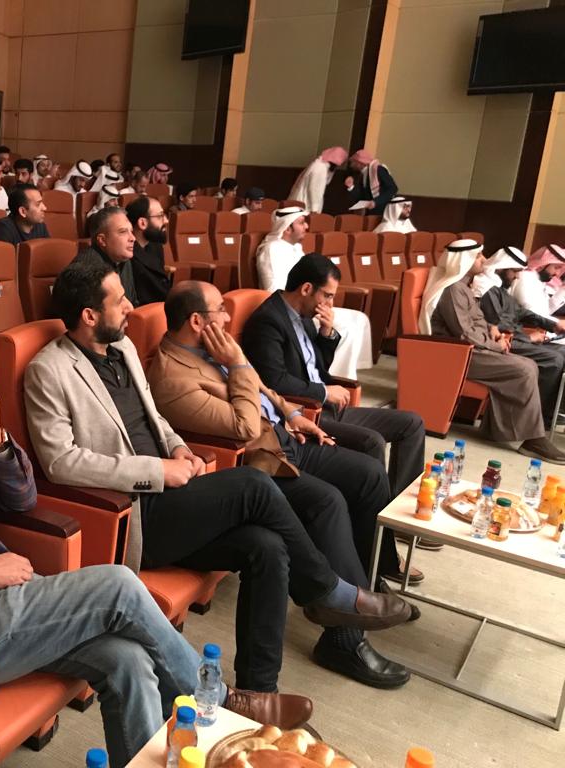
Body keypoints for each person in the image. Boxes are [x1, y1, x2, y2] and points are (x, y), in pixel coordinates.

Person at [0, 315, 314, 766]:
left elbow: (22, 498)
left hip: (12, 597)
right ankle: (220, 702)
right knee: (118, 584)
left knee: (128, 661)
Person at [24, 260, 411, 694]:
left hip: (176, 495)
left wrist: (178, 447)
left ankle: (258, 691)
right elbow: (61, 462)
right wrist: (157, 470)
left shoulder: (124, 348)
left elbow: (154, 418)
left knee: (267, 546)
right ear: (90, 315)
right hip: (135, 515)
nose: (131, 306)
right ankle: (326, 591)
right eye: (119, 301)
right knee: (254, 484)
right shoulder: (49, 370)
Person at [147, 281, 413, 687]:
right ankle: (344, 637)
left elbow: (262, 388)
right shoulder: (173, 376)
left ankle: (367, 581)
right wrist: (237, 362)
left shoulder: (212, 348)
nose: (228, 317)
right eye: (220, 309)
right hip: (258, 458)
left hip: (286, 436)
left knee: (369, 474)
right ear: (197, 321)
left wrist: (291, 413)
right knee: (327, 501)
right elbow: (244, 425)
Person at [243, 255, 428, 504]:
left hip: (328, 407)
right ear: (306, 289)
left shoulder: (305, 316)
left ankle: (399, 505)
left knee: (412, 423)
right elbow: (274, 381)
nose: (330, 303)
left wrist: (326, 333)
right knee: (372, 441)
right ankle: (378, 512)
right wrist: (324, 392)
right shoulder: (268, 320)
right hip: (305, 413)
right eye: (327, 295)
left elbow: (317, 367)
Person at [421, 240, 565, 463]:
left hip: (473, 348)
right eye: (478, 256)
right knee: (524, 369)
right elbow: (464, 333)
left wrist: (492, 330)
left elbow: (475, 321)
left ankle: (499, 430)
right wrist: (496, 345)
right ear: (464, 260)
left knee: (528, 365)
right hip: (457, 354)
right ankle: (533, 439)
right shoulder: (453, 289)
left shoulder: (463, 286)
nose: (483, 260)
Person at [257, 207, 373, 378]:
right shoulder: (271, 248)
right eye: (301, 222)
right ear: (287, 227)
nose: (306, 226)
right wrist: (300, 299)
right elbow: (271, 287)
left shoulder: (296, 248)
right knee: (346, 327)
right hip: (294, 303)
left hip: (306, 298)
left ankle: (341, 377)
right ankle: (337, 377)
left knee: (360, 318)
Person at [477, 247, 565, 430]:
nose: (517, 276)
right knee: (553, 359)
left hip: (518, 337)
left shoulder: (501, 288)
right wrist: (529, 338)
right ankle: (535, 418)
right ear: (502, 268)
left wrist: (553, 325)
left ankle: (549, 414)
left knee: (562, 352)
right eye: (515, 271)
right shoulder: (486, 289)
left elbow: (522, 312)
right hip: (505, 341)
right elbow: (496, 328)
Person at [73, 207, 138, 305]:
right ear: (102, 240)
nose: (133, 238)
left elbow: (133, 303)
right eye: (123, 232)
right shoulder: (85, 271)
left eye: (131, 231)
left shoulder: (123, 260)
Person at [126, 196, 173, 306]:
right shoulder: (127, 254)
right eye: (160, 216)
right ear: (142, 223)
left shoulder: (155, 246)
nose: (166, 221)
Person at [511, 245, 565, 319]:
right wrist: (559, 323)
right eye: (556, 267)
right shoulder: (525, 278)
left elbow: (546, 311)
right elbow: (535, 316)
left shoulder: (538, 280)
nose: (557, 274)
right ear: (543, 263)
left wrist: (563, 290)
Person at [289, 147, 347, 213]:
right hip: (305, 205)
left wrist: (332, 171)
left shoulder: (320, 165)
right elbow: (314, 189)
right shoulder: (320, 167)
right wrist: (314, 209)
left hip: (303, 203)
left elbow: (326, 182)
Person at [346, 149, 397, 214]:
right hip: (371, 212)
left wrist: (376, 202)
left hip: (383, 211)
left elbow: (393, 188)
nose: (351, 165)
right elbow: (362, 196)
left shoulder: (378, 169)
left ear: (360, 163)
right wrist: (351, 187)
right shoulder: (363, 175)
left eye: (353, 162)